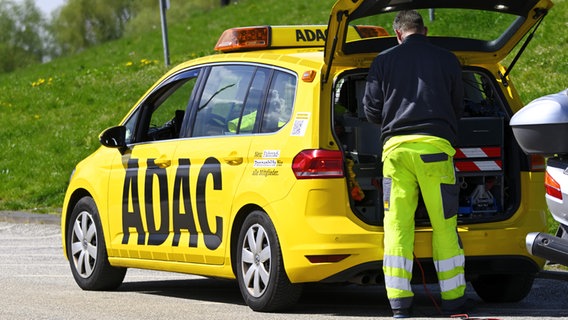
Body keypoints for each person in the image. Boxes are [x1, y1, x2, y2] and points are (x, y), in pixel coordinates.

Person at [363, 10, 466, 318]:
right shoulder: (447, 59)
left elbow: (370, 109)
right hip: (435, 150)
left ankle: (399, 304)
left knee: (396, 226)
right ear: (426, 31)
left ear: (398, 34)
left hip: (395, 153)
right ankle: (454, 301)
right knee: (444, 226)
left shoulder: (383, 60)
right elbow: (458, 104)